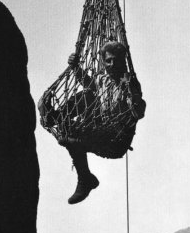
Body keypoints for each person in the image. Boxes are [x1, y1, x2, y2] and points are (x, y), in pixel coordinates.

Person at [61, 40, 146, 204]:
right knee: (85, 99)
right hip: (100, 129)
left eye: (116, 60)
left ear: (123, 61)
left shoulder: (130, 83)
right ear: (103, 62)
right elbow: (89, 84)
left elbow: (138, 112)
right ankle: (85, 178)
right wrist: (75, 68)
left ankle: (85, 180)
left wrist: (131, 94)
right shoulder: (102, 79)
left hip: (117, 140)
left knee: (72, 141)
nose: (112, 64)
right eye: (108, 61)